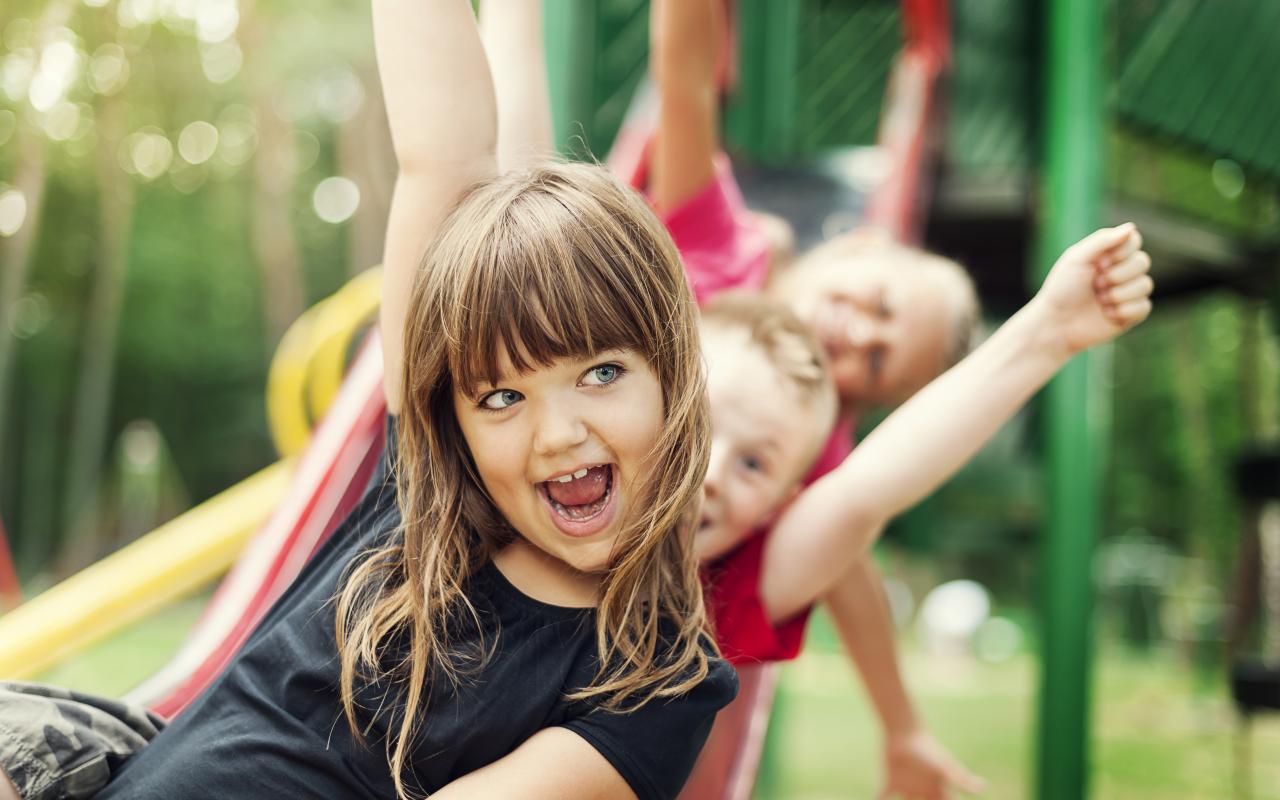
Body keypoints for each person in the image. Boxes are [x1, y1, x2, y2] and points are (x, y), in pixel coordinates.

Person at [0, 1, 738, 798]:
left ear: (673, 373)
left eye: (601, 374)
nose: (557, 433)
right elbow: (445, 154)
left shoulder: (658, 682)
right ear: (453, 417)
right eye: (501, 397)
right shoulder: (425, 505)